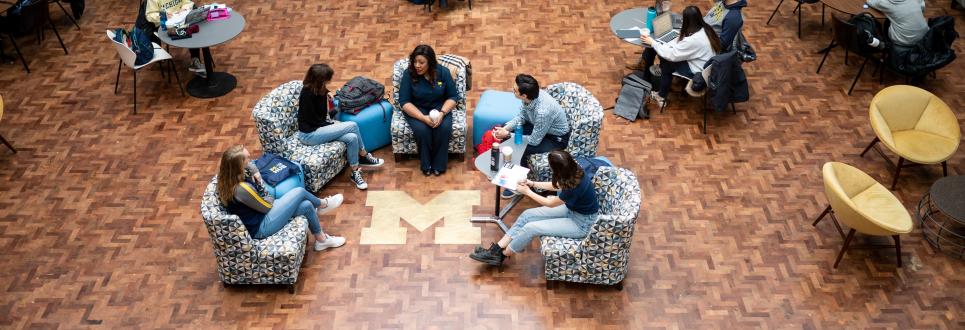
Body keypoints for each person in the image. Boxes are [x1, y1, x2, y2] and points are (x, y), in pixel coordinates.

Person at [469, 151, 602, 267]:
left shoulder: (576, 185)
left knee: (531, 228)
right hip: (572, 210)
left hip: (582, 224)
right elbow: (557, 186)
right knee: (528, 214)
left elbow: (550, 203)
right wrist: (532, 183)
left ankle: (502, 255)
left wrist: (528, 192)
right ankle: (496, 249)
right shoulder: (574, 170)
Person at [217, 145, 346, 251]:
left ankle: (321, 240)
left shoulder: (229, 178)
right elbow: (267, 206)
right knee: (300, 191)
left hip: (261, 215)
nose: (251, 161)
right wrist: (261, 183)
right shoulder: (241, 189)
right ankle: (323, 204)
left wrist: (254, 171)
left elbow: (254, 172)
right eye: (247, 159)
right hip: (261, 226)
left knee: (306, 205)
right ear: (238, 165)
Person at [297, 64, 384, 190]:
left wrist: (327, 93)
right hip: (309, 134)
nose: (328, 82)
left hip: (319, 128)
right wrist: (333, 123)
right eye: (326, 80)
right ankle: (364, 155)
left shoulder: (319, 89)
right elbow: (316, 120)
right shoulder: (307, 95)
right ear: (319, 80)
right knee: (352, 125)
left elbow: (322, 113)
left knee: (352, 138)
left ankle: (355, 171)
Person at [493, 74, 570, 198]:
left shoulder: (542, 111)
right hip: (538, 127)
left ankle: (519, 183)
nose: (512, 91)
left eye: (514, 90)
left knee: (518, 147)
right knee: (507, 130)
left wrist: (508, 135)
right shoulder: (530, 98)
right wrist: (505, 128)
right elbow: (522, 117)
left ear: (524, 95)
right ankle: (510, 171)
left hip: (555, 139)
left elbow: (534, 141)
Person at [629, 0, 745, 82]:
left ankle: (660, 81)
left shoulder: (733, 18)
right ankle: (645, 63)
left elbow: (722, 45)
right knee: (660, 36)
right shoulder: (722, 3)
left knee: (659, 45)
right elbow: (708, 20)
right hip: (698, 34)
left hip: (700, 45)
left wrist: (690, 39)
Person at [641, 6, 723, 108]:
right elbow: (685, 47)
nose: (682, 21)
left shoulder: (693, 41)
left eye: (684, 19)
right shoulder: (706, 28)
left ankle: (661, 96)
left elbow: (671, 55)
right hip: (707, 66)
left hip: (697, 72)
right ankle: (661, 76)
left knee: (666, 63)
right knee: (664, 55)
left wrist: (652, 42)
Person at [398, 44, 461, 176]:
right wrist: (423, 118)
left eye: (421, 62)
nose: (417, 65)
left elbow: (453, 97)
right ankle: (426, 164)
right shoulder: (408, 74)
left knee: (443, 129)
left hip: (439, 107)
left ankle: (439, 165)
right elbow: (404, 102)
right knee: (422, 131)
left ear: (430, 62)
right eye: (415, 61)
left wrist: (443, 113)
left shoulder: (443, 72)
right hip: (417, 108)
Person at [142, 0, 205, 77]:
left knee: (193, 29)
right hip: (165, 25)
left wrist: (184, 9)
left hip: (181, 19)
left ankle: (195, 60)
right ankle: (195, 62)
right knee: (187, 32)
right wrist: (163, 15)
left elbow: (188, 2)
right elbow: (150, 15)